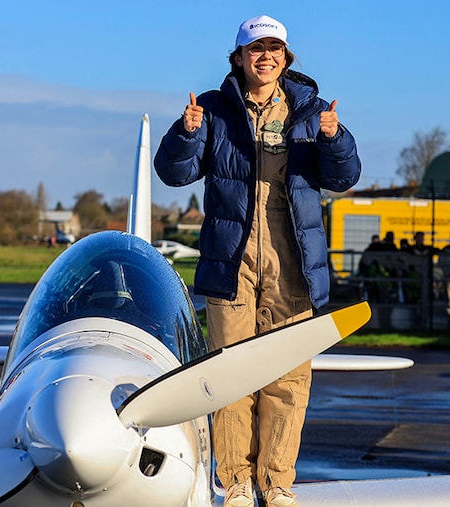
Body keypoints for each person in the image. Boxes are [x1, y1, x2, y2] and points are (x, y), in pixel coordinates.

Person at [154, 14, 361, 507]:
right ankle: (239, 484)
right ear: (239, 56)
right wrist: (186, 134)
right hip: (231, 265)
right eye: (255, 48)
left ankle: (278, 483)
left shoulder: (313, 112)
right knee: (231, 376)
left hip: (294, 266)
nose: (265, 56)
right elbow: (172, 173)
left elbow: (345, 176)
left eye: (274, 48)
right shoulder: (212, 110)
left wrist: (334, 139)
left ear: (286, 58)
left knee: (288, 381)